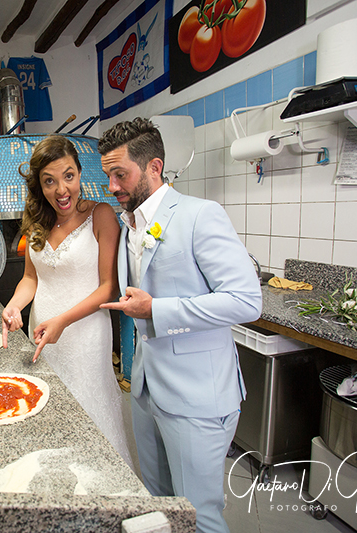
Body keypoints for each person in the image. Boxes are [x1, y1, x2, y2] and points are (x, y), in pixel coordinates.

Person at [98, 118, 262, 533]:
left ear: (154, 167)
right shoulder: (128, 225)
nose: (113, 186)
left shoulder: (200, 215)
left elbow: (246, 300)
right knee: (162, 504)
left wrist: (159, 309)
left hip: (197, 396)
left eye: (121, 175)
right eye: (108, 176)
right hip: (147, 389)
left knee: (198, 516)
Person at [2, 134, 133, 468]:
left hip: (85, 336)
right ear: (39, 186)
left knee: (91, 409)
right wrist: (14, 305)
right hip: (42, 333)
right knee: (49, 414)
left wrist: (63, 320)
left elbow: (109, 288)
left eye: (69, 176)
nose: (62, 190)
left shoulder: (101, 216)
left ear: (79, 174)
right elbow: (31, 279)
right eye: (50, 181)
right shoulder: (36, 222)